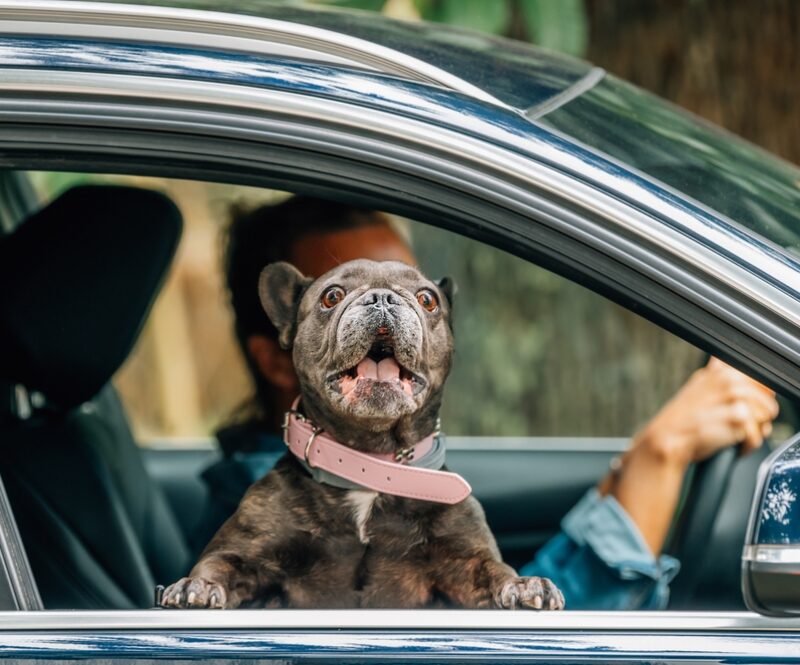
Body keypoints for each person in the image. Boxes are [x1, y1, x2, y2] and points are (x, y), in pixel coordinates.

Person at [193, 195, 778, 610]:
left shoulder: (403, 469)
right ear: (279, 352)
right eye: (344, 298)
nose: (387, 316)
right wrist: (659, 455)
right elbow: (516, 652)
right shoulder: (268, 522)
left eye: (411, 295)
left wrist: (622, 479)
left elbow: (485, 594)